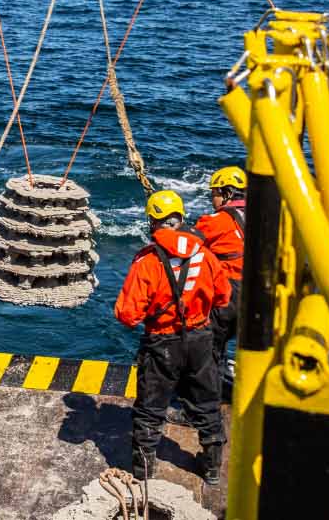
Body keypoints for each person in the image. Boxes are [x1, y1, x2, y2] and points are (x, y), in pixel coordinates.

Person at [114, 190, 231, 485]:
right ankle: (213, 467)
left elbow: (128, 315)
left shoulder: (147, 262)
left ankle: (143, 470)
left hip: (162, 343)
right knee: (206, 401)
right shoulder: (205, 255)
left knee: (151, 407)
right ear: (181, 218)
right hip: (201, 338)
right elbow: (223, 296)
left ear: (154, 222)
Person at [194, 165, 248, 393]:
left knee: (209, 349)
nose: (212, 199)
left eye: (214, 194)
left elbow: (189, 246)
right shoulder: (266, 214)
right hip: (258, 292)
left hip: (230, 293)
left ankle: (203, 406)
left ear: (226, 193)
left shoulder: (215, 221)